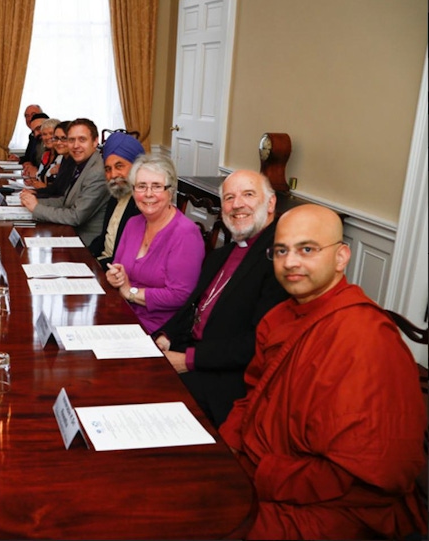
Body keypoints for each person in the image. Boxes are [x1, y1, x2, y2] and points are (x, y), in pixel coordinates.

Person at [219, 204, 427, 540]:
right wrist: (226, 448)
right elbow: (252, 395)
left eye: (307, 249)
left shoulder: (367, 338)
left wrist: (263, 477)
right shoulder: (278, 318)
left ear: (341, 257)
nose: (291, 262)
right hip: (259, 467)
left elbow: (374, 471)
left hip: (332, 506)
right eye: (281, 250)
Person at [152, 170, 288, 426]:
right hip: (190, 353)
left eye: (248, 195)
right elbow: (191, 307)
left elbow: (258, 341)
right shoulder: (220, 255)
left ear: (271, 204)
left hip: (226, 378)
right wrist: (165, 336)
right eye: (229, 197)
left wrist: (187, 361)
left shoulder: (279, 261)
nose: (237, 204)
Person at [104, 153, 203, 334]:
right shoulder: (133, 223)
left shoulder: (185, 234)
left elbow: (180, 295)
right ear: (133, 191)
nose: (148, 194)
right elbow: (119, 269)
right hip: (123, 313)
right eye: (141, 186)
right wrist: (115, 277)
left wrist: (130, 293)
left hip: (160, 329)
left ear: (170, 191)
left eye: (157, 186)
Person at [19, 118, 109, 247]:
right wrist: (33, 201)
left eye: (82, 139)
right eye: (71, 140)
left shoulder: (97, 172)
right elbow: (64, 201)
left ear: (95, 141)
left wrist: (36, 208)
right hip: (67, 233)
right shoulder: (82, 163)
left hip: (85, 244)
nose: (75, 145)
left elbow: (76, 216)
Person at [88, 132, 146, 267]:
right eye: (108, 169)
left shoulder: (144, 203)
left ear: (137, 166)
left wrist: (95, 265)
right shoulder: (117, 193)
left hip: (117, 271)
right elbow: (105, 239)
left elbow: (130, 258)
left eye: (119, 166)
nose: (113, 175)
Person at [35, 121, 76, 199]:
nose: (59, 142)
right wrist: (34, 193)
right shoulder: (63, 157)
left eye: (63, 138)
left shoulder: (67, 158)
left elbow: (61, 195)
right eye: (56, 138)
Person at [27, 118, 60, 189]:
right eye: (44, 134)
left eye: (51, 133)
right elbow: (39, 177)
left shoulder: (63, 158)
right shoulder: (46, 155)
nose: (47, 137)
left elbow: (61, 190)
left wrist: (45, 187)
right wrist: (33, 181)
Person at [20, 110, 49, 177]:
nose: (36, 134)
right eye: (33, 131)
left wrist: (36, 173)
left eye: (39, 128)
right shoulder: (35, 138)